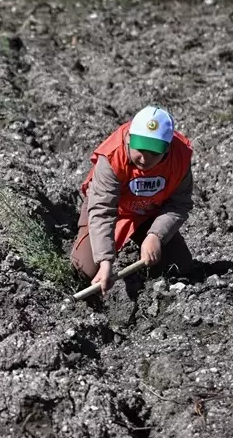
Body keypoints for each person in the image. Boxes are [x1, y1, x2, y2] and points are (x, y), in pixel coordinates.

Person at [70, 105, 195, 295]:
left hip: (149, 211)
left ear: (168, 148)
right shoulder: (113, 156)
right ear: (129, 138)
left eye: (154, 152)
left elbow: (179, 203)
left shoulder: (179, 158)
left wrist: (155, 236)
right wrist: (105, 261)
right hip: (112, 208)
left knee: (179, 266)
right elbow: (102, 209)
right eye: (140, 149)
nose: (145, 159)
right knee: (85, 270)